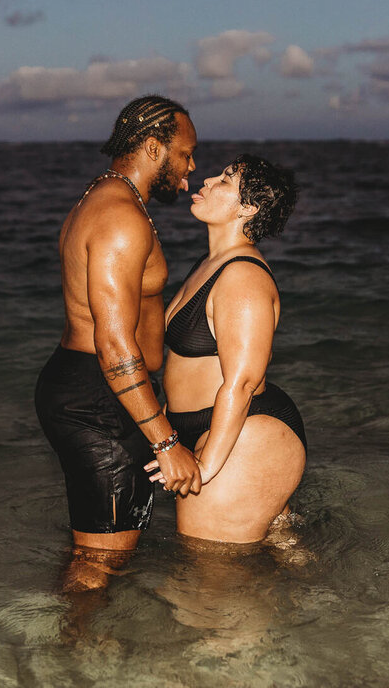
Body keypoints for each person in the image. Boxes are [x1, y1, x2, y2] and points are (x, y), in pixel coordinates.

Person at [34, 95, 202, 588]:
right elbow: (114, 345)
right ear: (153, 148)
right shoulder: (119, 217)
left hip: (93, 390)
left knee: (100, 550)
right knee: (99, 562)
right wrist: (166, 441)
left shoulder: (105, 198)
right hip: (99, 397)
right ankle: (71, 636)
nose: (191, 168)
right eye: (185, 154)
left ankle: (80, 633)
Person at [148, 154, 305, 544]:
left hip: (243, 433)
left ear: (248, 208)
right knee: (278, 554)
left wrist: (206, 467)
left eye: (224, 180)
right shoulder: (211, 263)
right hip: (206, 427)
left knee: (211, 569)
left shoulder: (243, 276)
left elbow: (243, 382)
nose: (206, 181)